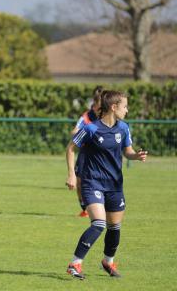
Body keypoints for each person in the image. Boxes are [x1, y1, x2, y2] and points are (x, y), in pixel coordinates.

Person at [65, 90, 147, 280]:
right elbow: (71, 148)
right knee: (99, 223)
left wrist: (136, 156)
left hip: (115, 185)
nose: (127, 110)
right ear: (114, 106)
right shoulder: (91, 128)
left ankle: (108, 262)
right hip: (92, 182)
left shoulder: (124, 128)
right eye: (125, 106)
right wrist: (71, 174)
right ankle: (75, 263)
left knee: (114, 227)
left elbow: (128, 151)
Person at [70, 86, 104, 218]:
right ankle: (84, 208)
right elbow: (74, 131)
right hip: (85, 153)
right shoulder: (86, 116)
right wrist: (85, 132)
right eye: (96, 105)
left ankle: (100, 206)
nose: (97, 108)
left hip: (100, 154)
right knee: (79, 183)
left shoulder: (107, 117)